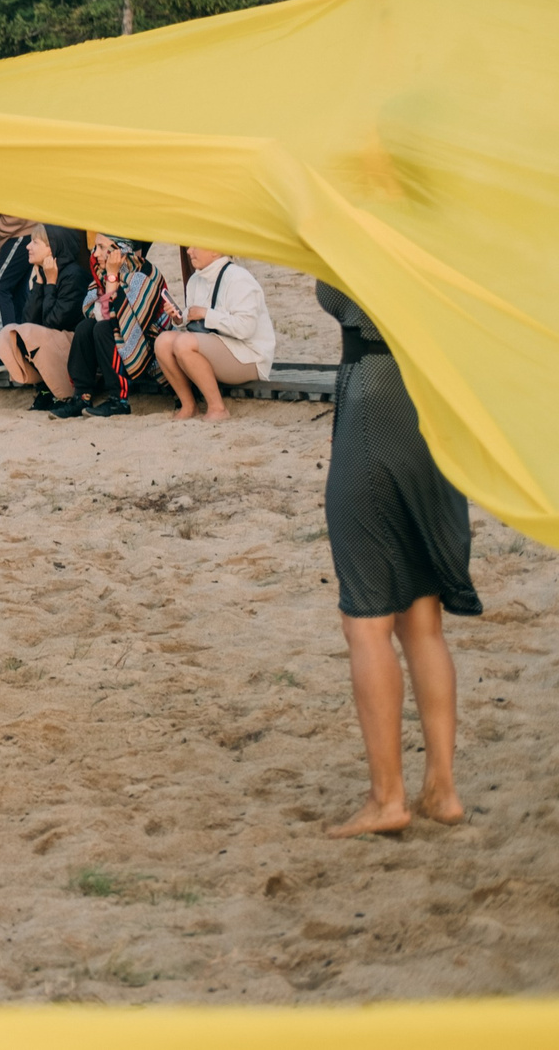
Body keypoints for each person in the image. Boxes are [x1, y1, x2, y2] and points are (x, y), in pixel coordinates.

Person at [316, 283, 479, 838]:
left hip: (374, 405)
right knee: (422, 618)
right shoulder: (437, 235)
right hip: (431, 415)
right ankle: (443, 789)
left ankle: (387, 799)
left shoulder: (356, 221)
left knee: (367, 621)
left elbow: (341, 298)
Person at [155, 248, 278, 420]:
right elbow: (197, 328)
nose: (189, 251)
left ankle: (217, 408)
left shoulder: (239, 278)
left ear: (216, 251)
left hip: (248, 356)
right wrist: (178, 319)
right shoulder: (195, 280)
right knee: (163, 342)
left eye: (195, 246)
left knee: (184, 343)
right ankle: (189, 406)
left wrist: (206, 313)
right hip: (219, 346)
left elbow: (245, 328)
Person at [68, 235, 175, 417]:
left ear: (120, 251)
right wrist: (110, 279)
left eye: (102, 247)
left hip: (148, 346)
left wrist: (112, 278)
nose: (96, 254)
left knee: (103, 328)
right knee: (85, 327)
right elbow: (92, 312)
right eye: (96, 247)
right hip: (123, 340)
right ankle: (82, 396)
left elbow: (112, 317)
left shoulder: (142, 276)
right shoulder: (100, 275)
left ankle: (119, 400)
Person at [0, 227, 91, 411]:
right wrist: (39, 283)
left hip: (74, 349)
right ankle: (45, 389)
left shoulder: (73, 276)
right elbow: (28, 320)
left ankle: (57, 391)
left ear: (52, 249)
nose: (28, 246)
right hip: (56, 344)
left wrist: (51, 284)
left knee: (32, 335)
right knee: (10, 333)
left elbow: (54, 322)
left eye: (35, 242)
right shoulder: (44, 273)